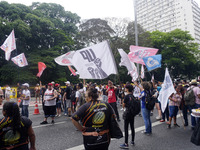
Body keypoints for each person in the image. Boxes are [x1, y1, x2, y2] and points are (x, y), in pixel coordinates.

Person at [120, 84, 135, 149]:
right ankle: (132, 141)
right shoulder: (133, 96)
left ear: (127, 89)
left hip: (127, 113)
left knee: (126, 128)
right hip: (132, 113)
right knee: (132, 127)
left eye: (125, 88)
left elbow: (123, 105)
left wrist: (123, 100)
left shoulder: (126, 97)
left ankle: (126, 143)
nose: (125, 89)